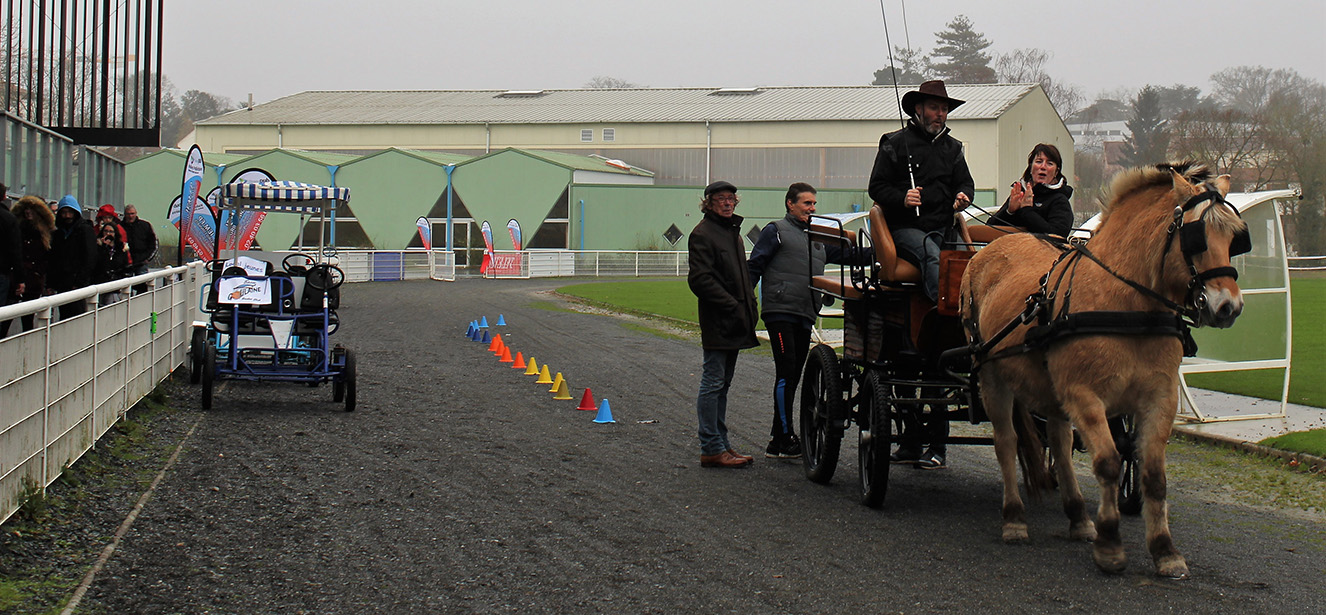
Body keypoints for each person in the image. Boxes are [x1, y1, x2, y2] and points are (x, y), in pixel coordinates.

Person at [867, 80, 975, 470]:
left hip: (943, 226)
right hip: (906, 230)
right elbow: (876, 188)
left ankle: (970, 315)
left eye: (943, 109)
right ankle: (948, 321)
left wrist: (964, 196)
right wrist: (902, 197)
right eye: (933, 108)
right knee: (933, 258)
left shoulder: (953, 148)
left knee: (967, 262)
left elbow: (966, 184)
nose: (939, 114)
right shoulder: (894, 143)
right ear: (919, 110)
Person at [747, 182, 869, 459]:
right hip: (780, 313)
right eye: (807, 203)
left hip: (804, 313)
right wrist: (743, 304)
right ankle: (784, 436)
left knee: (793, 375)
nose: (812, 208)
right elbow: (754, 266)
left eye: (814, 203)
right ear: (790, 204)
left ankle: (779, 440)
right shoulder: (775, 231)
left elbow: (849, 255)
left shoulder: (818, 237)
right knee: (786, 372)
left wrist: (883, 251)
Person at [688, 180, 759, 468]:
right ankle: (711, 447)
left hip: (735, 319)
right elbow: (700, 280)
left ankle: (721, 444)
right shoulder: (703, 234)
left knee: (722, 385)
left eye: (731, 198)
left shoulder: (732, 233)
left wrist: (749, 307)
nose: (728, 203)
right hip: (719, 320)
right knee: (713, 382)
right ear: (709, 203)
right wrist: (732, 305)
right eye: (721, 199)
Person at [988, 143, 1074, 237]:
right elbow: (989, 229)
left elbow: (1057, 236)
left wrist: (1027, 211)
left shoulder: (1059, 200)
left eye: (1049, 163)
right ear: (1030, 167)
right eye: (1039, 161)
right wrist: (1009, 211)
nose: (1043, 167)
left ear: (1056, 172)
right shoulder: (1020, 194)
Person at [48, 195, 97, 320]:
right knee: (64, 316)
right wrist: (51, 283)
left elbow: (90, 257)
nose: (67, 216)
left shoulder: (85, 231)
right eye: (64, 212)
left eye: (70, 212)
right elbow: (53, 259)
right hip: (62, 283)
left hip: (77, 284)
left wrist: (80, 282)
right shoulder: (58, 234)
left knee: (77, 316)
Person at [10, 196, 53, 332]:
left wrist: (39, 272)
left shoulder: (46, 233)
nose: (28, 212)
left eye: (32, 209)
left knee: (28, 316)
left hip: (35, 278)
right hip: (18, 276)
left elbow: (49, 257)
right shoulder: (18, 229)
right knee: (9, 312)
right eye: (26, 208)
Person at [0, 183, 23, 338]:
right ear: (4, 196)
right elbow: (15, 250)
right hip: (2, 272)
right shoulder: (9, 219)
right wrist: (20, 279)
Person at [121, 204, 157, 294]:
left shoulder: (145, 226)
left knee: (142, 288)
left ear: (136, 213)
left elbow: (153, 244)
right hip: (125, 263)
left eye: (132, 213)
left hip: (141, 262)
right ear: (125, 214)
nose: (130, 216)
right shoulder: (120, 227)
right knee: (126, 288)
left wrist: (147, 258)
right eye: (128, 214)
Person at [92, 222, 130, 305]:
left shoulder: (120, 247)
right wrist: (103, 247)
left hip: (115, 284)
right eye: (106, 231)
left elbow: (123, 264)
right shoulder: (97, 246)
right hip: (99, 282)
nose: (108, 234)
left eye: (111, 231)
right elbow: (98, 262)